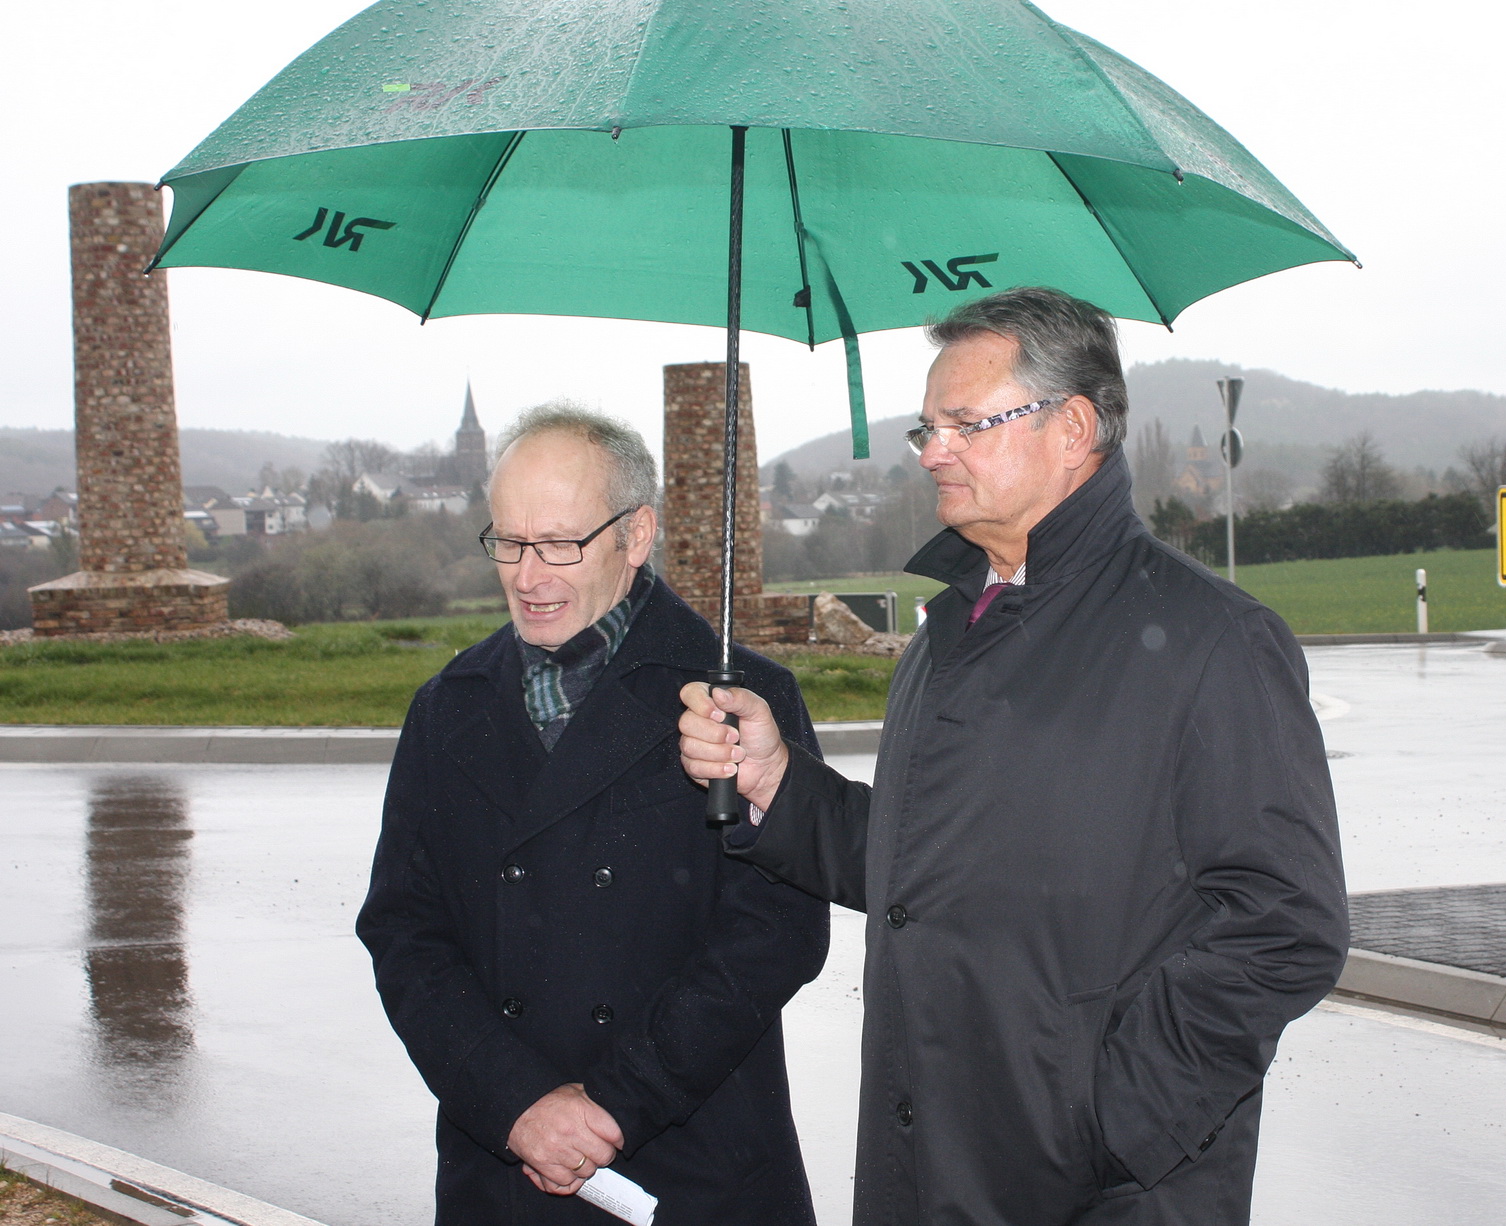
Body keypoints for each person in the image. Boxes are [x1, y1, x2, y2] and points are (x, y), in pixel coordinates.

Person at [679, 288, 1349, 1225]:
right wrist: (775, 781)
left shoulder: (1212, 641)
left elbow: (1286, 923)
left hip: (1099, 1189)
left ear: (1072, 427)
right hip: (929, 1165)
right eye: (928, 427)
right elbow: (928, 864)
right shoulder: (956, 622)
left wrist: (1110, 1116)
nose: (933, 450)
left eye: (965, 423)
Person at [359, 403, 829, 1225]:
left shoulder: (740, 700)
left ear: (635, 535)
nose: (527, 575)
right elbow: (404, 932)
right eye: (507, 542)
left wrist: (615, 1104)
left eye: (559, 545)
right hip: (503, 1172)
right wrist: (515, 1102)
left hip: (693, 1169)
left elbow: (778, 932)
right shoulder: (446, 710)